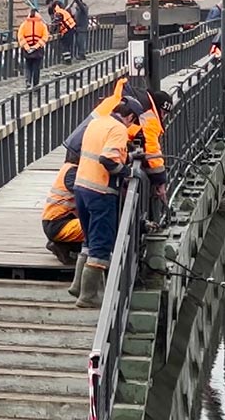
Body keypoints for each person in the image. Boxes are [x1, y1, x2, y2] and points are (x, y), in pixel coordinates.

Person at [71, 98, 142, 308]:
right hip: (100, 191)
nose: (131, 126)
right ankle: (88, 296)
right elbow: (108, 159)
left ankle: (77, 286)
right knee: (101, 243)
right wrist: (129, 171)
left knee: (89, 240)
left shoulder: (97, 122)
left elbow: (101, 152)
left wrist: (128, 156)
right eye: (133, 121)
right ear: (129, 117)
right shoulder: (119, 129)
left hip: (81, 188)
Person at [41, 161, 83, 264]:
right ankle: (62, 245)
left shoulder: (68, 168)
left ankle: (60, 244)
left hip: (53, 222)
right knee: (98, 227)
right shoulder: (72, 173)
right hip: (58, 225)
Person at [17, 8, 48, 87]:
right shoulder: (42, 25)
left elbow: (20, 36)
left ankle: (28, 81)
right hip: (38, 50)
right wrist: (37, 46)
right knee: (36, 67)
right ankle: (35, 84)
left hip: (27, 49)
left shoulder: (24, 24)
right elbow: (45, 37)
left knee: (28, 65)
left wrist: (26, 47)